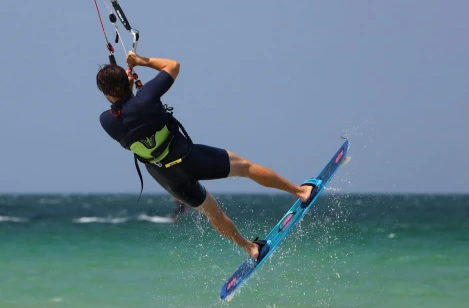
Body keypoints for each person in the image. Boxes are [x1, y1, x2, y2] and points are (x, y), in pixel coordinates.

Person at [97, 51, 315, 262]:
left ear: (105, 93)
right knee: (245, 168)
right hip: (188, 157)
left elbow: (126, 113)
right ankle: (301, 192)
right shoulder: (145, 98)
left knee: (212, 213)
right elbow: (173, 65)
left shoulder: (106, 121)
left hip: (167, 176)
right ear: (127, 83)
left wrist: (128, 88)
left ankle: (250, 248)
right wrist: (140, 61)